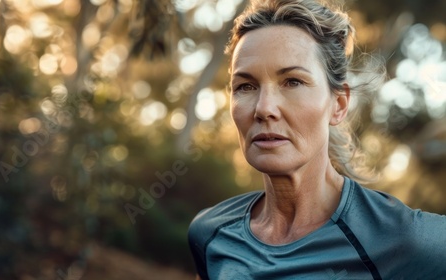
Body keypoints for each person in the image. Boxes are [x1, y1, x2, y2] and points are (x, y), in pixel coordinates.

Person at [187, 0, 446, 279]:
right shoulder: (211, 233)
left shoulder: (406, 240)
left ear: (339, 104)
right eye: (246, 86)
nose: (264, 108)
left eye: (293, 82)